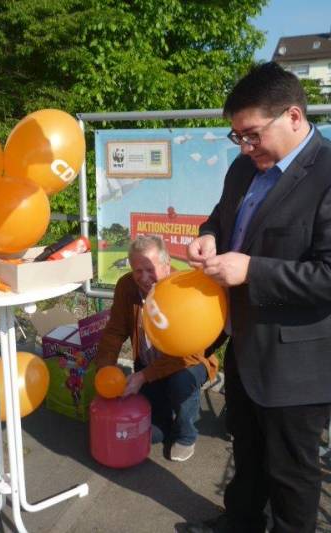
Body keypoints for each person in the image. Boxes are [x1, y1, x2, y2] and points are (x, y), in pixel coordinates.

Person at [186, 62, 331, 533]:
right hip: (244, 344)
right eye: (238, 137)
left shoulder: (327, 174)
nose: (246, 147)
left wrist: (251, 270)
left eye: (252, 135)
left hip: (298, 362)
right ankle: (240, 523)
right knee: (246, 451)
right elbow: (220, 216)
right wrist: (208, 235)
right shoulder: (243, 167)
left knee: (291, 473)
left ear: (293, 116)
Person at [96, 235, 218, 462]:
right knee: (154, 434)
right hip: (148, 364)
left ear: (166, 264)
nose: (143, 278)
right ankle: (167, 413)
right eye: (137, 271)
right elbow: (114, 331)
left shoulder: (184, 290)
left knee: (181, 382)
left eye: (150, 269)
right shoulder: (126, 286)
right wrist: (105, 367)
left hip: (186, 364)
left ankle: (186, 435)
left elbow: (191, 354)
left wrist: (143, 376)